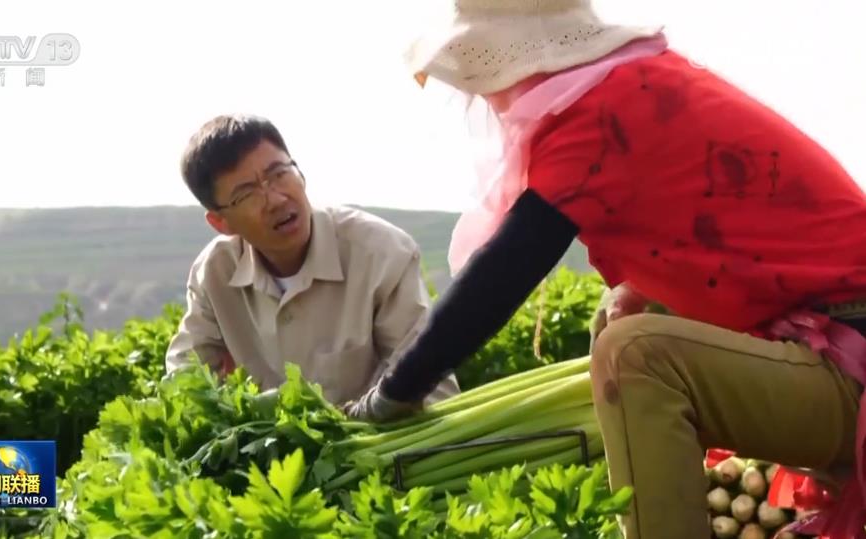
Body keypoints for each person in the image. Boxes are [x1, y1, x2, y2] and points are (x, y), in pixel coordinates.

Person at [343, 2, 866, 538]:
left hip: (852, 360)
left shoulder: (599, 113)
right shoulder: (638, 84)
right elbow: (725, 222)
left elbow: (499, 276)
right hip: (833, 346)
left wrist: (389, 394)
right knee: (623, 322)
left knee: (635, 355)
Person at [165, 113, 459, 405]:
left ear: (300, 174)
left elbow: (432, 390)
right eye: (246, 194)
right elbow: (185, 380)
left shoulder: (381, 253)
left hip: (382, 444)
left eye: (279, 174)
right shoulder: (214, 273)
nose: (276, 199)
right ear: (221, 223)